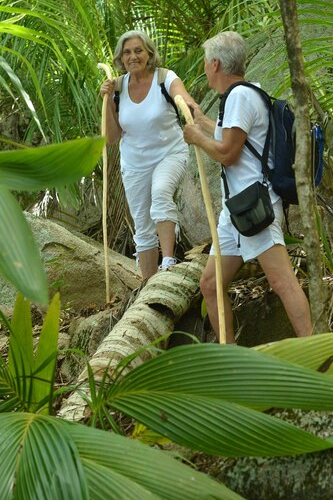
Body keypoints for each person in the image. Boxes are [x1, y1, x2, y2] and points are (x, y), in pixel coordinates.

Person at [183, 31, 312, 344]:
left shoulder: (240, 96)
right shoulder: (244, 94)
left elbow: (228, 153)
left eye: (205, 60)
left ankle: (319, 353)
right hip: (237, 211)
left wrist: (197, 139)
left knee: (282, 280)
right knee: (211, 285)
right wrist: (201, 122)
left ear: (214, 64)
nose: (204, 65)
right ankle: (231, 361)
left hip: (255, 207)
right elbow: (233, 137)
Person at [100, 30, 196, 280]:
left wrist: (192, 112)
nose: (133, 56)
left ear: (149, 54)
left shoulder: (165, 78)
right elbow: (111, 137)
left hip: (170, 153)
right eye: (127, 52)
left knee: (161, 192)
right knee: (142, 224)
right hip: (135, 163)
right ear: (121, 59)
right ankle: (148, 282)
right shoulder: (118, 88)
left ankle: (167, 262)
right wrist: (108, 100)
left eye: (138, 50)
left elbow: (185, 101)